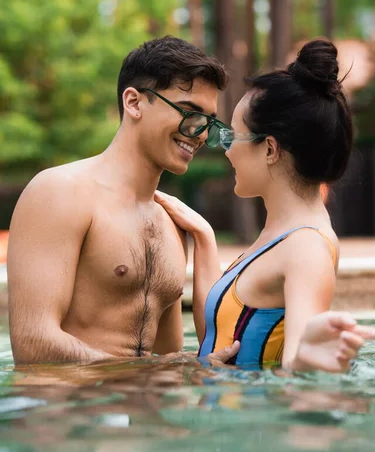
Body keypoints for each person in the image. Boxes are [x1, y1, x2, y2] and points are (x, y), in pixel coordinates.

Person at [155, 39, 375, 372]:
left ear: (270, 150)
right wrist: (204, 237)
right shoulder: (284, 233)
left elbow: (295, 366)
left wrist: (307, 359)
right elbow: (221, 335)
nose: (226, 150)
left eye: (232, 137)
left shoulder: (305, 247)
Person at [7, 36, 231, 364]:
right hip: (71, 410)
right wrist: (148, 372)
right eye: (188, 113)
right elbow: (34, 342)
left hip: (142, 408)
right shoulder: (59, 192)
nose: (198, 133)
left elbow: (166, 356)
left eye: (208, 123)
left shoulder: (171, 224)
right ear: (134, 102)